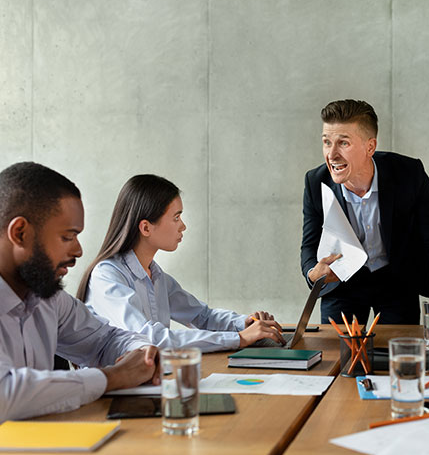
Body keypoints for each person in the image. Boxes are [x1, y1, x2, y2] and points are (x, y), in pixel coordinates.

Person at [0, 162, 159, 422]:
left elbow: (106, 339)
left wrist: (143, 353)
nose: (78, 252)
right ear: (20, 233)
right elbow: (5, 394)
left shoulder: (48, 299)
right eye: (67, 237)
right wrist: (114, 377)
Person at [77, 174, 285, 352]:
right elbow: (149, 339)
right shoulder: (107, 276)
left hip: (148, 381)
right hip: (112, 391)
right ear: (146, 228)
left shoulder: (157, 277)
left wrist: (245, 323)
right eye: (176, 218)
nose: (183, 226)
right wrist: (239, 339)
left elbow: (202, 316)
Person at [301, 99, 429, 325]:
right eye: (327, 142)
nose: (332, 154)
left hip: (396, 280)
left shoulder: (409, 174)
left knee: (397, 356)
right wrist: (312, 274)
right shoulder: (315, 182)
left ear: (370, 147)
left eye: (343, 143)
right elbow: (309, 244)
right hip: (343, 282)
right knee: (338, 356)